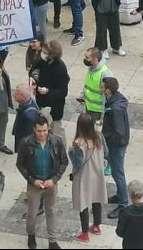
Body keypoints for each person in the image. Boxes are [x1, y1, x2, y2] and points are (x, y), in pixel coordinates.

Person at [17, 115, 68, 249]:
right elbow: (20, 164)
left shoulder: (56, 141)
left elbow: (64, 162)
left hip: (51, 183)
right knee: (32, 213)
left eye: (45, 130)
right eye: (39, 131)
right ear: (34, 129)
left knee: (51, 211)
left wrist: (55, 179)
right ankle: (31, 235)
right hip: (35, 184)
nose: (42, 134)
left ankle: (52, 240)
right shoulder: (26, 143)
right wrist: (32, 180)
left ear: (48, 128)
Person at [70, 113, 107, 244]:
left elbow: (77, 163)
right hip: (97, 174)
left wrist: (71, 151)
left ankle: (84, 233)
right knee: (96, 199)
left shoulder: (78, 143)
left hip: (84, 176)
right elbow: (106, 153)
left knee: (83, 203)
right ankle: (96, 226)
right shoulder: (98, 137)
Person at [100, 77, 130, 219]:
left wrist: (108, 139)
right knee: (117, 172)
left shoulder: (115, 108)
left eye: (102, 85)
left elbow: (118, 131)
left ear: (108, 90)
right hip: (117, 142)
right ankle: (120, 195)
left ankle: (123, 203)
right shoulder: (115, 101)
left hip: (117, 145)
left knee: (118, 173)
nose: (100, 86)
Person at [31, 40, 70, 131]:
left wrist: (48, 91)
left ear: (51, 56)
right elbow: (33, 70)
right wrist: (33, 77)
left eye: (45, 53)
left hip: (54, 108)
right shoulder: (41, 62)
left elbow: (63, 91)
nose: (42, 54)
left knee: (56, 132)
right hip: (40, 103)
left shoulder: (60, 68)